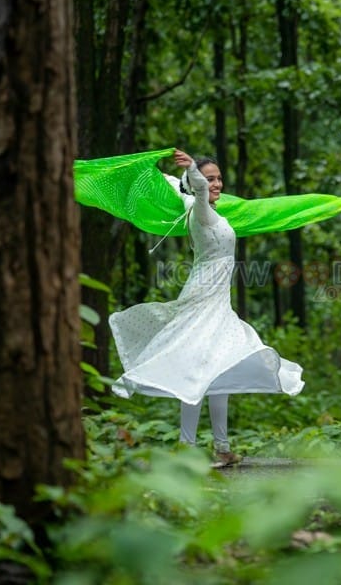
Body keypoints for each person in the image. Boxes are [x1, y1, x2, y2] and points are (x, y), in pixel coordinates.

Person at [110, 149, 304, 467]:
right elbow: (195, 189)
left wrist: (175, 177)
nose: (216, 184)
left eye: (218, 178)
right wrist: (192, 174)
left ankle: (222, 448)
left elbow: (178, 186)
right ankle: (187, 450)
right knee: (197, 374)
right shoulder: (201, 212)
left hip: (217, 303)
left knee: (218, 372)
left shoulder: (195, 207)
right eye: (211, 178)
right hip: (203, 301)